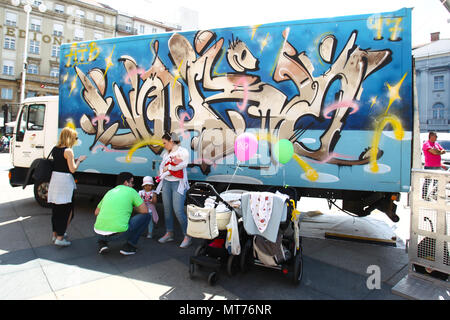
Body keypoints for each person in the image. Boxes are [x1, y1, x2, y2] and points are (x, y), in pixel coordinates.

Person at [47, 127, 87, 247]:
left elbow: (60, 164)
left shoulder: (55, 149)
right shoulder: (68, 151)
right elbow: (72, 169)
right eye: (75, 137)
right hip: (64, 183)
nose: (76, 139)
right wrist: (79, 160)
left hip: (55, 180)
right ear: (70, 137)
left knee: (56, 210)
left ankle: (55, 235)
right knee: (67, 210)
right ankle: (60, 237)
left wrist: (72, 160)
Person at [94, 172, 150, 255]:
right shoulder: (131, 191)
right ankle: (130, 246)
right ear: (126, 183)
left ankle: (102, 243)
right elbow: (145, 210)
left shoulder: (109, 192)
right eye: (132, 182)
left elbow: (96, 212)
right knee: (146, 216)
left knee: (104, 217)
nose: (132, 185)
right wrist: (131, 207)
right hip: (118, 235)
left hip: (98, 233)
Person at [156, 132, 192, 248]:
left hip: (178, 183)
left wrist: (169, 167)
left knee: (178, 210)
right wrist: (162, 173)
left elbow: (183, 165)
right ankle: (169, 232)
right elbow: (162, 167)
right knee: (167, 209)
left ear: (171, 141)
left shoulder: (183, 152)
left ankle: (187, 235)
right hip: (166, 182)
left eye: (165, 143)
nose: (163, 145)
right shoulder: (166, 153)